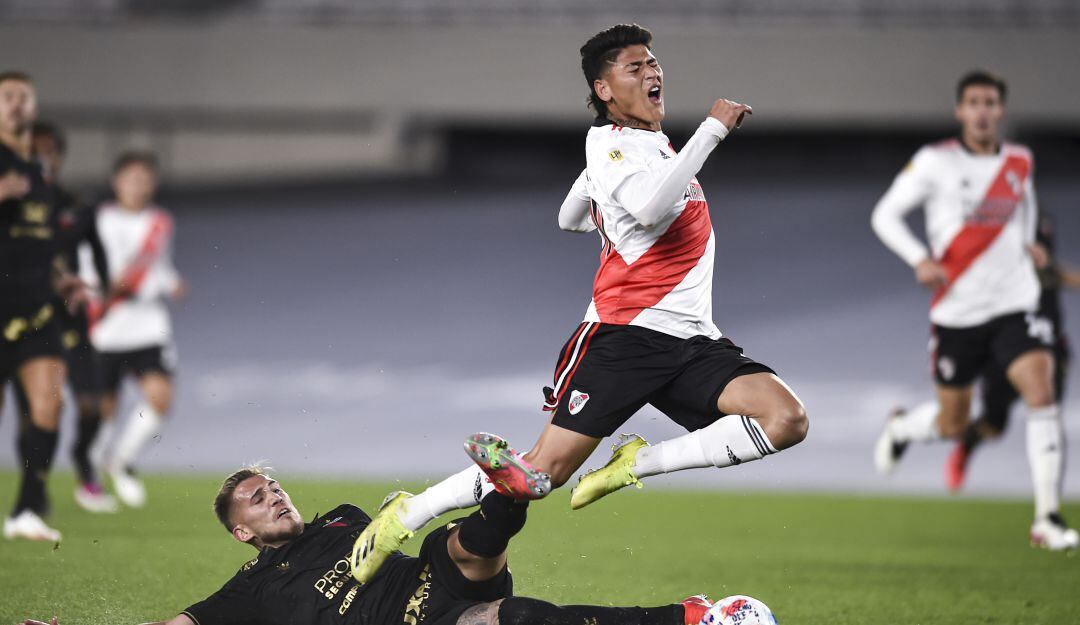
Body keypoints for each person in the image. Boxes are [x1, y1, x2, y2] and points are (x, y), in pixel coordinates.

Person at [351, 23, 808, 584]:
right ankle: (408, 513)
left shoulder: (646, 146)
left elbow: (568, 220)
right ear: (604, 89)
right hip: (625, 338)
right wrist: (711, 130)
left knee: (785, 419)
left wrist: (596, 184)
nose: (652, 72)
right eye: (634, 67)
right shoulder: (613, 141)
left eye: (653, 62)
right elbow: (644, 211)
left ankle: (635, 462)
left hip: (693, 340)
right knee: (538, 477)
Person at [22, 433, 723, 625]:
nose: (275, 499)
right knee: (515, 617)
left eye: (273, 488)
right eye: (258, 502)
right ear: (242, 534)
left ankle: (509, 493)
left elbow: (397, 529)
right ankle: (687, 618)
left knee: (463, 543)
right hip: (422, 622)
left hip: (432, 577)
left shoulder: (341, 520)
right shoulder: (247, 594)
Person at [870, 70, 1075, 550]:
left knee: (1041, 391)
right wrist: (920, 258)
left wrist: (1030, 248)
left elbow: (1023, 213)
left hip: (1015, 304)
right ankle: (902, 428)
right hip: (959, 312)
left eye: (990, 102)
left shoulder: (1020, 160)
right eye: (974, 103)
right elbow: (884, 215)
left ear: (1001, 111)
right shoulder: (934, 162)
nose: (982, 111)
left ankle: (1047, 518)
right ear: (960, 111)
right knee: (952, 424)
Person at [16, 120, 117, 513]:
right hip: (32, 321)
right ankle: (33, 491)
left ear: (58, 156)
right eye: (33, 150)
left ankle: (82, 462)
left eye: (48, 150)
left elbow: (98, 250)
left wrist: (105, 289)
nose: (42, 158)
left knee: (91, 405)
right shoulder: (14, 208)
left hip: (72, 320)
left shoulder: (76, 206)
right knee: (36, 412)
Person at [80, 151, 185, 508]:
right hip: (109, 326)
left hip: (149, 326)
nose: (138, 186)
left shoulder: (160, 222)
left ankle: (120, 460)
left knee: (160, 397)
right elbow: (87, 270)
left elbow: (161, 266)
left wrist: (172, 283)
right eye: (131, 179)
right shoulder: (100, 221)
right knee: (106, 407)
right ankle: (90, 478)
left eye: (144, 179)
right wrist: (108, 286)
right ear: (117, 182)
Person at [945, 211, 1077, 491]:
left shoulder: (1036, 217)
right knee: (994, 425)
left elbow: (1051, 269)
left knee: (1049, 418)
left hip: (1050, 344)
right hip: (1010, 346)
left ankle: (1048, 502)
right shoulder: (991, 228)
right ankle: (966, 446)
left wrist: (1053, 273)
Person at [0, 70, 77, 542]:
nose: (16, 105)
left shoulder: (39, 170)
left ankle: (26, 510)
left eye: (23, 98)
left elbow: (41, 241)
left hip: (37, 308)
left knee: (49, 404)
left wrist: (62, 277)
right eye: (7, 97)